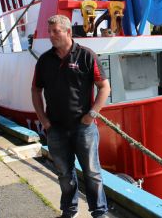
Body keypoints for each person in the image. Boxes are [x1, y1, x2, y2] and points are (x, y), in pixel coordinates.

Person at [31, 15, 110, 218]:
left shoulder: (86, 55)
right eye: (50, 32)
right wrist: (44, 121)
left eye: (55, 31)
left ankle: (99, 212)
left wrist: (92, 114)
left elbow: (104, 87)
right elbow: (35, 90)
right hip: (55, 128)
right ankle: (69, 210)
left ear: (68, 32)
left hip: (83, 127)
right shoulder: (45, 60)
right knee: (65, 174)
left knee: (92, 173)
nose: (51, 36)